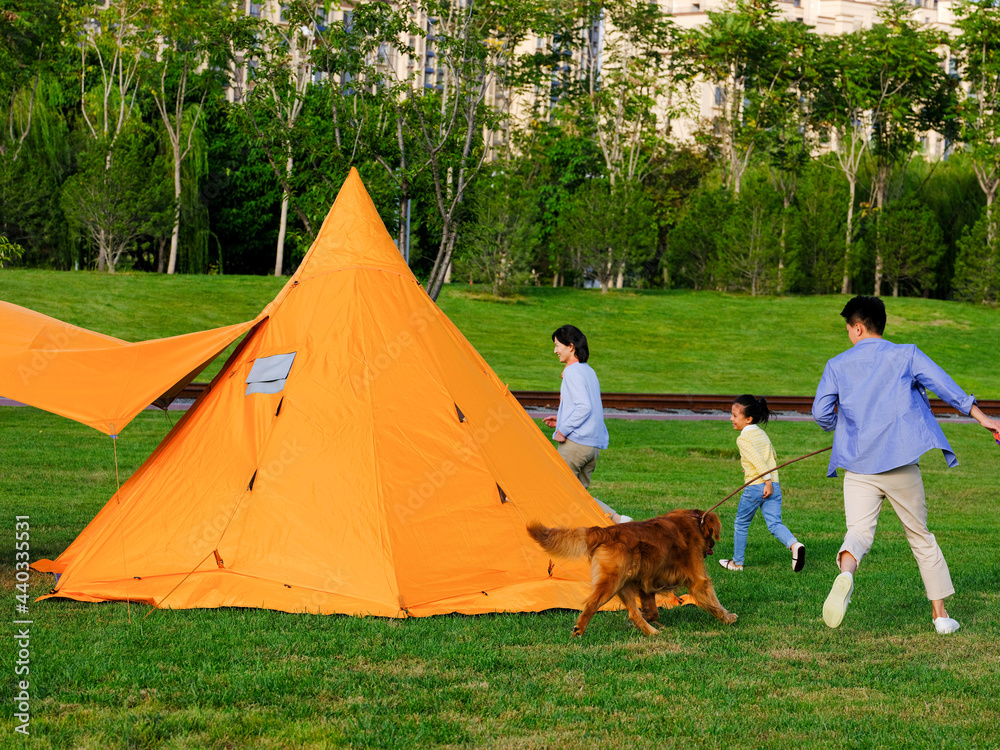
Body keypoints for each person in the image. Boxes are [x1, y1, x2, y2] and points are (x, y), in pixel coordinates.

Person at [812, 295, 1000, 634]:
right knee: (920, 537)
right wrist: (982, 417)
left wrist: (840, 426)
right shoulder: (906, 354)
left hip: (858, 467)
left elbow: (821, 413)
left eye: (848, 330)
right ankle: (941, 617)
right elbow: (945, 386)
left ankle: (846, 576)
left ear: (857, 327)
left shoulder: (836, 365)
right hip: (900, 464)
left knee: (857, 533)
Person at [542, 325, 630, 523]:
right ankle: (618, 522)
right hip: (592, 446)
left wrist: (562, 430)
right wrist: (561, 419)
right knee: (577, 499)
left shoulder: (572, 372)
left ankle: (616, 520)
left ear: (570, 346)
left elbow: (584, 407)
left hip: (576, 446)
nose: (555, 350)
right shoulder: (588, 371)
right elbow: (589, 405)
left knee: (557, 491)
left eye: (558, 346)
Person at [718, 395, 805, 573]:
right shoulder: (761, 433)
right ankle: (795, 545)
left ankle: (737, 563)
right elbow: (771, 456)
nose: (731, 419)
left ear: (748, 419)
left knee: (741, 523)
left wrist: (764, 482)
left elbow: (758, 461)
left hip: (757, 486)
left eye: (735, 416)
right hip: (774, 484)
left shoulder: (743, 439)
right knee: (774, 523)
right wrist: (769, 482)